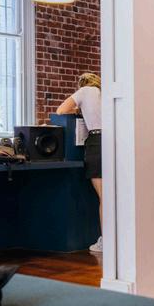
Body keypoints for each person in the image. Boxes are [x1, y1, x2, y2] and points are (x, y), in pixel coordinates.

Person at [56, 72, 103, 252]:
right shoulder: (106, 94)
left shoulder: (84, 91)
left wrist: (78, 110)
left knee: (104, 196)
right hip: (115, 141)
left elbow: (61, 110)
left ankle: (107, 240)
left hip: (97, 142)